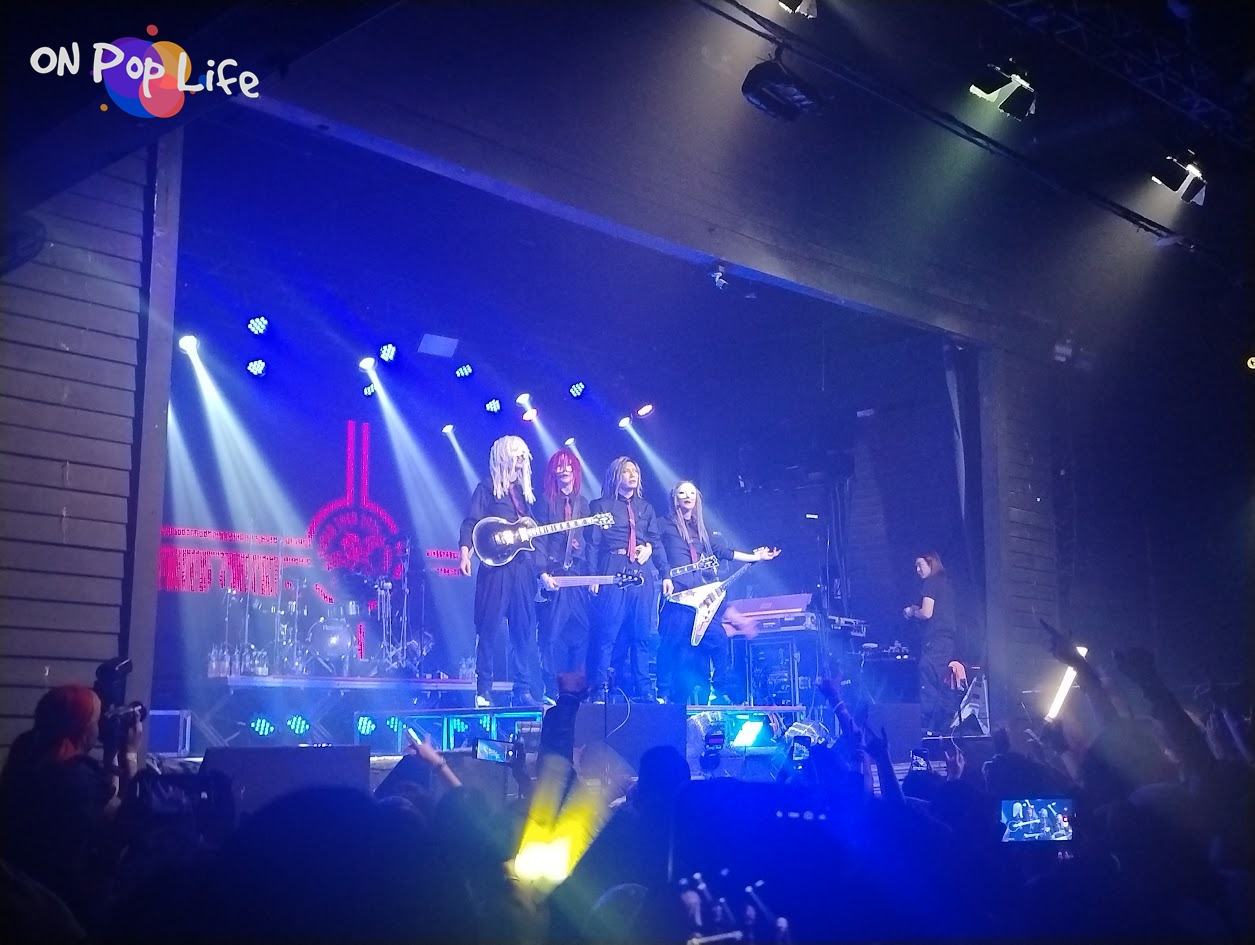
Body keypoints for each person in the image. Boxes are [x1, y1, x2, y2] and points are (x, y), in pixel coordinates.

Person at [0, 684, 141, 922]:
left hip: (19, 896)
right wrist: (131, 753)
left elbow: (103, 795)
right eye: (97, 720)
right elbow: (124, 818)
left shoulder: (25, 759)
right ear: (84, 729)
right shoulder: (77, 777)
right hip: (64, 907)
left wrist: (110, 754)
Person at [655, 480, 779, 705]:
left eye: (691, 493)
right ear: (674, 498)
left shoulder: (701, 529)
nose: (687, 496)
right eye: (682, 493)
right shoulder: (663, 524)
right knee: (673, 646)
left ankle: (720, 689)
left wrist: (755, 557)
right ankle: (662, 694)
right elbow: (654, 547)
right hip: (679, 598)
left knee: (718, 641)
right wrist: (664, 574)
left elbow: (723, 551)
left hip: (701, 600)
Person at [459, 435, 542, 707]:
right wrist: (465, 553)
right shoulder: (487, 489)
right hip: (496, 570)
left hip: (522, 569)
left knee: (522, 630)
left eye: (523, 455)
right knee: (489, 628)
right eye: (516, 454)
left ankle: (523, 689)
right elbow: (471, 522)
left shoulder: (525, 496)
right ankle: (484, 689)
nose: (521, 459)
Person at [585, 458, 670, 702]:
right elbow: (593, 543)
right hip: (613, 567)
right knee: (608, 633)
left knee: (642, 634)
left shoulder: (646, 508)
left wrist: (664, 572)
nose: (632, 475)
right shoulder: (601, 505)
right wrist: (594, 576)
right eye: (626, 471)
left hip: (641, 573)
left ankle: (644, 690)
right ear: (615, 476)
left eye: (635, 471)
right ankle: (601, 689)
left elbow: (655, 540)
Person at [535, 448, 593, 700]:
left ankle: (575, 688)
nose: (564, 469)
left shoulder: (584, 504)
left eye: (569, 465)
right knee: (551, 634)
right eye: (559, 465)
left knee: (582, 631)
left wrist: (591, 575)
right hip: (554, 575)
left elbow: (591, 542)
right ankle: (550, 688)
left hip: (577, 577)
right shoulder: (545, 503)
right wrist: (542, 572)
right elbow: (537, 540)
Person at [903, 551, 958, 736]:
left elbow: (927, 613)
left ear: (931, 563)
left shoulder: (931, 583)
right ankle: (945, 724)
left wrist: (912, 611)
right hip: (947, 640)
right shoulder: (946, 583)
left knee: (927, 676)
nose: (918, 570)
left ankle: (929, 727)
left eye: (920, 565)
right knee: (942, 680)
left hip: (935, 640)